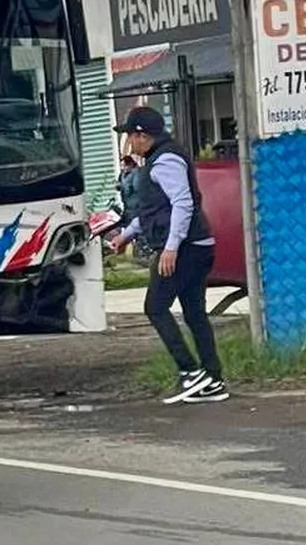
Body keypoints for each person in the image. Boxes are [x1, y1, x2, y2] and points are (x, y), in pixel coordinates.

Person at [109, 106, 228, 405]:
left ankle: (190, 371)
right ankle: (212, 379)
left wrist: (172, 247)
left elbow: (182, 203)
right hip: (196, 246)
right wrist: (125, 235)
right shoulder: (158, 160)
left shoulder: (165, 161)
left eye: (130, 137)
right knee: (194, 314)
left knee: (155, 307)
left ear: (141, 136)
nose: (129, 144)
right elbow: (154, 211)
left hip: (186, 248)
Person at [117, 155, 140, 224]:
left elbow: (137, 187)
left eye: (124, 165)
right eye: (121, 166)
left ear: (130, 164)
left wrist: (123, 186)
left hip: (134, 206)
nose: (123, 168)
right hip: (127, 206)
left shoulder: (136, 173)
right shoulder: (123, 174)